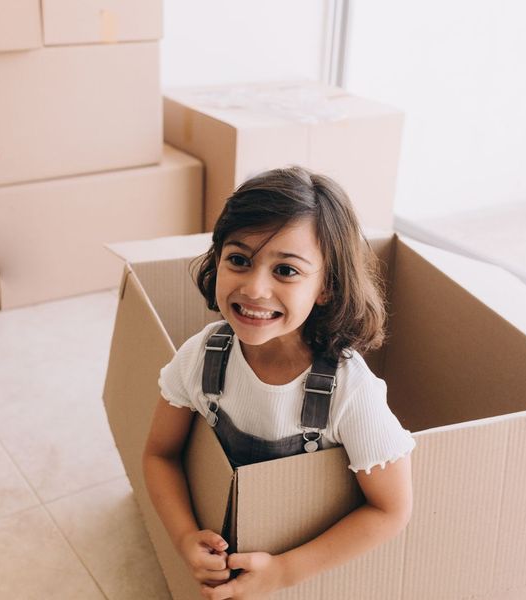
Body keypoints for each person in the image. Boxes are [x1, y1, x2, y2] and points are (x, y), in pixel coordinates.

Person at [143, 166, 416, 600]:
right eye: (239, 260)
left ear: (325, 287)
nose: (254, 288)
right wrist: (183, 537)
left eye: (286, 270)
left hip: (304, 570)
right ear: (217, 261)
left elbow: (391, 509)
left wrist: (284, 572)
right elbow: (160, 454)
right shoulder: (202, 356)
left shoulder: (350, 390)